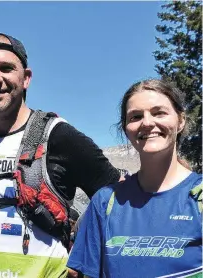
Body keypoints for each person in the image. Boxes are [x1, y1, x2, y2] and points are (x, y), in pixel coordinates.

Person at [0, 33, 122, 278]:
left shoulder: (58, 137)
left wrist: (84, 261)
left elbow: (117, 202)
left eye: (6, 68)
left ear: (26, 78)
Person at [67, 79, 202, 278]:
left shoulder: (198, 196)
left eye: (159, 113)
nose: (147, 123)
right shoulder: (105, 202)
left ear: (180, 120)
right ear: (125, 129)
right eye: (136, 116)